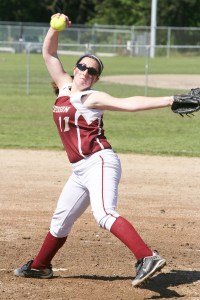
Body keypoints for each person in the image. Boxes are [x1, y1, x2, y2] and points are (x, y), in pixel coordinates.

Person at [14, 13, 174, 287]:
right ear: (75, 69)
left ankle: (147, 257)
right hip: (79, 170)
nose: (87, 73)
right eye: (83, 67)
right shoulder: (65, 88)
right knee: (61, 219)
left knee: (104, 214)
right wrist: (55, 27)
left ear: (96, 78)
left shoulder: (92, 97)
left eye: (93, 71)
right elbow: (49, 53)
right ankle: (40, 267)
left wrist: (171, 99)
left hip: (99, 161)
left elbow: (130, 104)